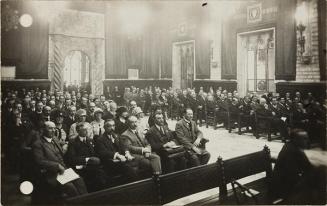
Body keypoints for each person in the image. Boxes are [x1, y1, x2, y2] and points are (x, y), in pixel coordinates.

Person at [269, 129, 325, 204]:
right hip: (284, 188)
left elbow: (306, 165)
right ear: (295, 140)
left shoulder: (290, 146)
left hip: (286, 182)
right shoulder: (293, 151)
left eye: (307, 138)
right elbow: (304, 168)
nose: (307, 141)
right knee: (320, 173)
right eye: (304, 139)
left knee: (319, 172)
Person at [32, 121, 88, 198]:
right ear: (43, 130)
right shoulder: (38, 144)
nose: (53, 130)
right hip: (51, 174)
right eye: (50, 128)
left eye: (54, 128)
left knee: (80, 180)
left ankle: (85, 201)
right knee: (70, 187)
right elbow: (39, 161)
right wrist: (57, 166)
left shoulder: (55, 139)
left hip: (64, 170)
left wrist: (65, 147)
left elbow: (61, 154)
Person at [66, 122, 109, 192]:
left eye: (87, 130)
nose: (86, 131)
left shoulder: (90, 140)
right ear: (77, 131)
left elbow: (94, 154)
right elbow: (72, 159)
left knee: (103, 175)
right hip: (81, 167)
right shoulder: (73, 142)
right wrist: (87, 159)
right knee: (98, 176)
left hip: (92, 166)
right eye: (83, 130)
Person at [95, 120, 139, 184]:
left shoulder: (116, 136)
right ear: (104, 127)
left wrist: (127, 152)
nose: (112, 128)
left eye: (113, 125)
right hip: (110, 162)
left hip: (122, 160)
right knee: (128, 168)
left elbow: (123, 146)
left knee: (135, 163)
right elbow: (103, 152)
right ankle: (137, 185)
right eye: (109, 126)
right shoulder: (100, 139)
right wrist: (117, 155)